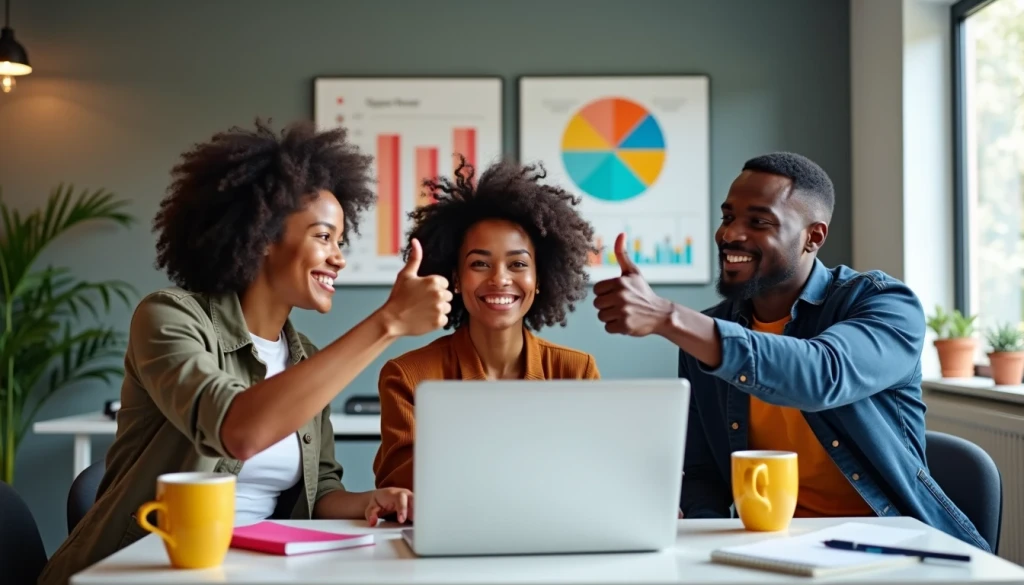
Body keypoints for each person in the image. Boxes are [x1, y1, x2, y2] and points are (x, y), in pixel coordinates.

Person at [40, 120, 453, 585]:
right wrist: (389, 322)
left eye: (341, 241)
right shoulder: (169, 318)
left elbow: (321, 493)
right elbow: (238, 430)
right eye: (323, 237)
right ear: (262, 238)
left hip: (247, 571)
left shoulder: (304, 358)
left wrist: (369, 500)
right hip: (142, 570)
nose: (339, 257)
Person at [591, 152, 991, 551]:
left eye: (758, 222)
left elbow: (824, 374)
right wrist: (698, 548)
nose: (730, 234)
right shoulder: (705, 334)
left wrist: (668, 317)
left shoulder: (885, 304)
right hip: (772, 549)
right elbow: (703, 472)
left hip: (898, 546)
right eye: (728, 217)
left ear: (813, 237)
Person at [372, 158, 601, 491]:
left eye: (517, 264)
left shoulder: (577, 371)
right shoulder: (408, 376)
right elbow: (399, 484)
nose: (500, 279)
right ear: (455, 278)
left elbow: (594, 473)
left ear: (540, 279)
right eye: (480, 263)